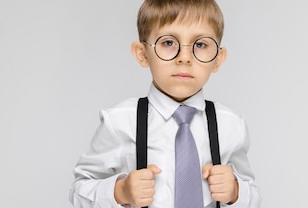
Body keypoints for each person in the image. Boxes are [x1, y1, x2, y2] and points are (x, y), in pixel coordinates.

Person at [69, 0, 261, 207]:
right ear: (142, 54)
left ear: (218, 59)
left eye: (201, 44)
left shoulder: (231, 125)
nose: (184, 57)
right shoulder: (119, 122)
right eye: (168, 42)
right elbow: (78, 190)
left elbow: (254, 196)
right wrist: (119, 192)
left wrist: (235, 192)